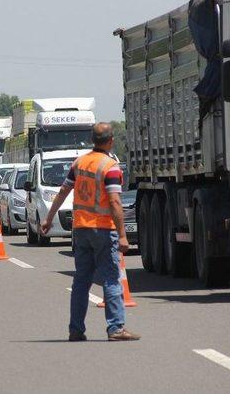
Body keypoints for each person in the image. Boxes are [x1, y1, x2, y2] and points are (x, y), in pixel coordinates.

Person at [41, 123, 140, 342]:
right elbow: (114, 201)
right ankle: (115, 328)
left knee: (81, 281)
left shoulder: (80, 163)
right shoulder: (110, 166)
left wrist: (49, 218)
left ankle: (76, 330)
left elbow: (63, 191)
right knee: (112, 279)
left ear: (93, 140)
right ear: (111, 141)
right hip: (104, 230)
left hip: (81, 229)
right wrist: (123, 235)